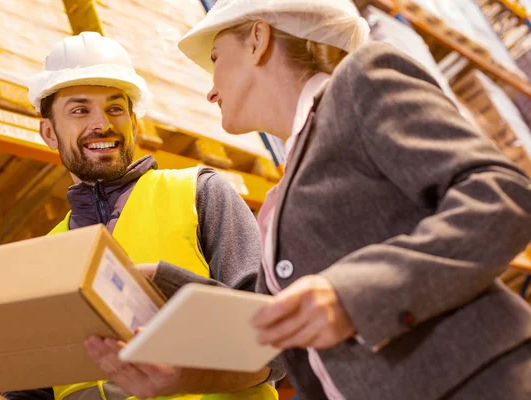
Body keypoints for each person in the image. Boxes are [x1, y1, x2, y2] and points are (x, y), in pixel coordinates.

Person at [84, 1, 531, 399]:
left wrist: (353, 295)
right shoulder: (286, 189)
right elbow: (274, 334)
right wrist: (160, 293)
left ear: (258, 39)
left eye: (216, 59)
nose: (211, 90)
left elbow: (501, 196)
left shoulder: (364, 80)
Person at [0, 32, 283, 400]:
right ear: (49, 132)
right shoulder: (50, 251)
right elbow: (36, 390)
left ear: (134, 121)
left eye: (116, 108)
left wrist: (165, 286)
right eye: (80, 110)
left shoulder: (199, 193)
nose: (102, 124)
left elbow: (273, 344)